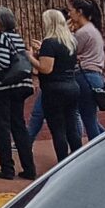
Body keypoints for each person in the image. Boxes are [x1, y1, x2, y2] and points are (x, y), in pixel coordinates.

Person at [0, 7, 37, 181]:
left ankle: (7, 168)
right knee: (19, 126)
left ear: (2, 22)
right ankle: (29, 168)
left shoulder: (2, 37)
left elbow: (2, 62)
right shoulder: (16, 37)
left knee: (1, 128)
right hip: (20, 86)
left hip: (4, 88)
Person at [32, 9, 83, 163]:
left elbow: (46, 68)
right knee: (72, 127)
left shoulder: (49, 42)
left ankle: (63, 162)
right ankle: (78, 159)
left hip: (54, 90)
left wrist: (30, 57)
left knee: (58, 129)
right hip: (72, 87)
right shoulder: (70, 41)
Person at [68, 0, 105, 140]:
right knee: (91, 118)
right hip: (95, 77)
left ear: (79, 12)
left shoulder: (83, 33)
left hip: (85, 77)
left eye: (71, 10)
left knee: (89, 121)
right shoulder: (92, 30)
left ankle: (99, 152)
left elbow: (69, 52)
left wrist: (67, 31)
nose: (69, 14)